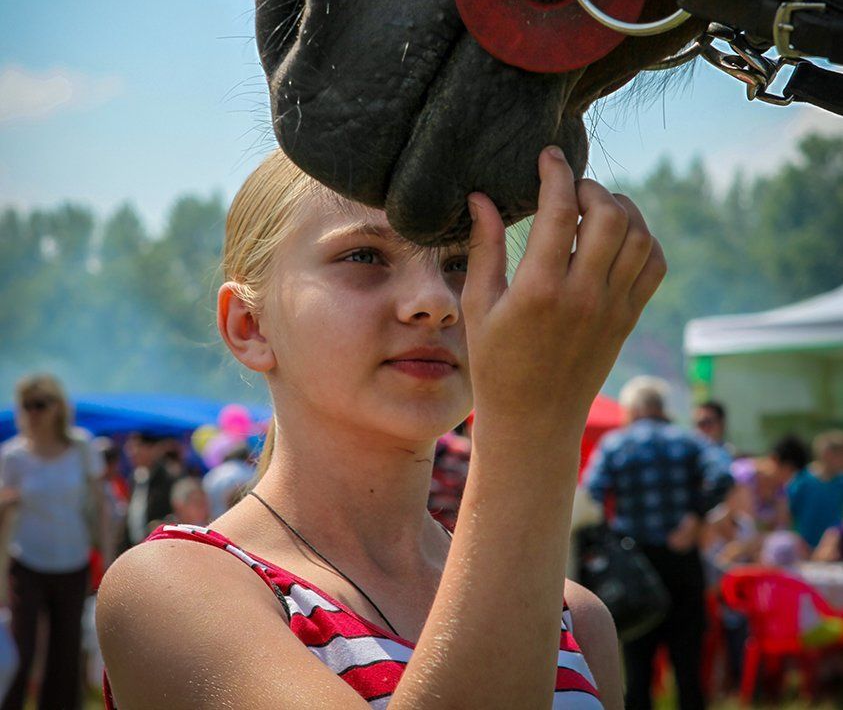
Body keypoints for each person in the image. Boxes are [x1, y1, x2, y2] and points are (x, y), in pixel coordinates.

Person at [97, 146, 667, 709]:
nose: (436, 302)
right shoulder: (174, 589)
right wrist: (534, 423)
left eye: (459, 263)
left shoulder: (574, 618)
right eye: (365, 257)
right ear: (250, 325)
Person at [584, 375, 733, 710]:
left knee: (639, 667)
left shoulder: (615, 444)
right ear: (661, 408)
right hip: (683, 559)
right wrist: (695, 517)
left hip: (634, 565)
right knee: (688, 663)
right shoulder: (690, 441)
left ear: (633, 408)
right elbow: (723, 475)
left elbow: (591, 492)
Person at [0, 373, 107, 710]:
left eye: (40, 404)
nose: (33, 412)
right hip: (26, 560)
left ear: (57, 407)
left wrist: (105, 553)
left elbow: (100, 505)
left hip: (72, 560)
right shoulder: (13, 455)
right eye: (27, 405)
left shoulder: (81, 446)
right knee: (21, 648)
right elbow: (4, 513)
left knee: (66, 650)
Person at [729, 435, 809, 534]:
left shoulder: (780, 489)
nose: (790, 479)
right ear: (774, 459)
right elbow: (746, 521)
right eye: (788, 471)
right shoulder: (742, 474)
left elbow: (782, 525)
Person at [787, 430, 843, 550]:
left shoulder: (840, 482)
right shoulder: (802, 480)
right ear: (827, 454)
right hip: (803, 547)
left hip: (833, 550)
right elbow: (789, 513)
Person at [202, 442, 255, 520]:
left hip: (213, 521)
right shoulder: (247, 472)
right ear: (248, 457)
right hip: (239, 519)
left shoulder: (212, 474)